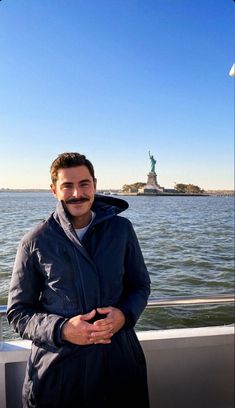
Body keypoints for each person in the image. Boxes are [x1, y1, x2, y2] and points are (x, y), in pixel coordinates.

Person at [7, 152, 151, 408]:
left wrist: (124, 315)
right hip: (59, 374)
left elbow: (140, 285)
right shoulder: (35, 240)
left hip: (120, 366)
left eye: (84, 184)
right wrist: (62, 329)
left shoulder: (121, 230)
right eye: (67, 186)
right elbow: (18, 312)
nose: (77, 193)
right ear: (54, 190)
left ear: (94, 184)